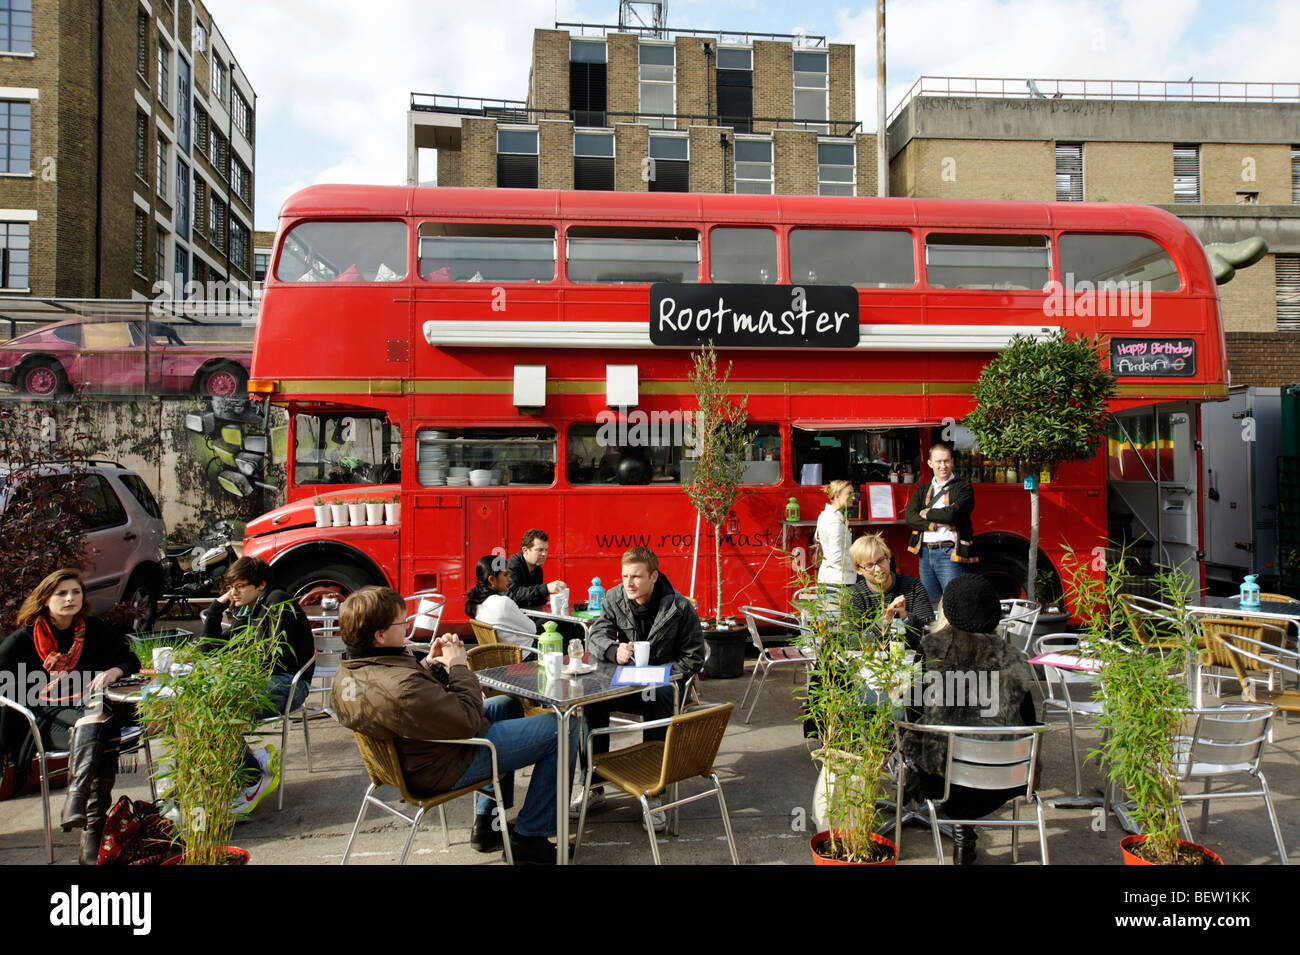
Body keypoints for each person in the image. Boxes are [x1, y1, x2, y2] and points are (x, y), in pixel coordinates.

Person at [331, 586, 575, 864]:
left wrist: (431, 664)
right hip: (443, 764)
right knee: (562, 728)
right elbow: (467, 721)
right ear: (380, 635)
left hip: (414, 755)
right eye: (401, 622)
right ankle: (530, 838)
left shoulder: (349, 674)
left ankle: (488, 823)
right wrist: (458, 666)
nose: (407, 626)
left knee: (506, 705)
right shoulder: (401, 687)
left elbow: (407, 700)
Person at [0, 569, 140, 864]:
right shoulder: (24, 639)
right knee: (103, 724)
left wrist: (114, 671)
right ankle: (91, 831)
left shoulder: (92, 629)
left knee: (98, 717)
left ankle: (76, 802)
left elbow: (129, 658)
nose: (70, 598)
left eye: (76, 592)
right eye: (61, 593)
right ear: (45, 600)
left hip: (89, 712)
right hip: (48, 719)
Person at [899, 574, 1038, 865]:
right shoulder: (1014, 657)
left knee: (909, 734)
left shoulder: (930, 650)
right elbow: (1029, 724)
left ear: (947, 611)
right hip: (1007, 781)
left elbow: (913, 715)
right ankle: (964, 833)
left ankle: (915, 803)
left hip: (942, 780)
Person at [578, 547, 705, 828]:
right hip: (626, 684)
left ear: (654, 576)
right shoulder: (614, 597)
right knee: (591, 699)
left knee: (658, 697)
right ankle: (592, 785)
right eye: (625, 576)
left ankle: (654, 791)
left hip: (663, 686)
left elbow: (694, 658)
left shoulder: (679, 607)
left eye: (636, 576)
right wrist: (614, 650)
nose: (629, 583)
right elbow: (596, 635)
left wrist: (659, 674)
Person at [200, 556, 315, 816]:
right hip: (265, 681)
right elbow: (210, 650)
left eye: (240, 586)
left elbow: (277, 658)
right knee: (204, 707)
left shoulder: (277, 601)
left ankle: (252, 776)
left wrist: (236, 672)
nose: (233, 593)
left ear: (260, 584)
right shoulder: (250, 610)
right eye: (231, 587)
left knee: (216, 710)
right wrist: (216, 609)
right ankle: (249, 766)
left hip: (288, 684)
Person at [905, 443, 976, 604]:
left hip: (949, 552)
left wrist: (927, 513)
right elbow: (910, 517)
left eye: (946, 461)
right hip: (924, 553)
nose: (942, 466)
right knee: (931, 604)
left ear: (952, 462)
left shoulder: (964, 488)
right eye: (938, 462)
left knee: (955, 601)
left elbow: (952, 514)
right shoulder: (922, 490)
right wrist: (932, 525)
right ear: (930, 463)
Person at [846, 533, 934, 652]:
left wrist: (905, 618)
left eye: (881, 561)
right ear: (858, 570)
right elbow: (850, 642)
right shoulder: (854, 595)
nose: (878, 569)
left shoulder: (913, 587)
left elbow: (930, 633)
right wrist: (884, 622)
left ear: (888, 558)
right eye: (870, 565)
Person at [465, 554, 537, 644]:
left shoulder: (477, 604)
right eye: (505, 575)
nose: (510, 579)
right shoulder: (503, 603)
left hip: (500, 654)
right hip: (524, 653)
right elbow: (532, 629)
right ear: (491, 580)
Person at [506, 529, 566, 611]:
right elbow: (512, 595)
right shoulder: (511, 565)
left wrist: (549, 604)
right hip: (510, 618)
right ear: (525, 550)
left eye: (546, 550)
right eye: (539, 550)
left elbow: (536, 599)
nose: (544, 554)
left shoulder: (537, 568)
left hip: (526, 615)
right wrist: (546, 588)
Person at [816, 480, 856, 591]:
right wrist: (858, 565)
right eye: (849, 494)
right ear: (837, 495)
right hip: (838, 581)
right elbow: (836, 557)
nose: (853, 498)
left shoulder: (826, 515)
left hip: (832, 579)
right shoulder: (834, 520)